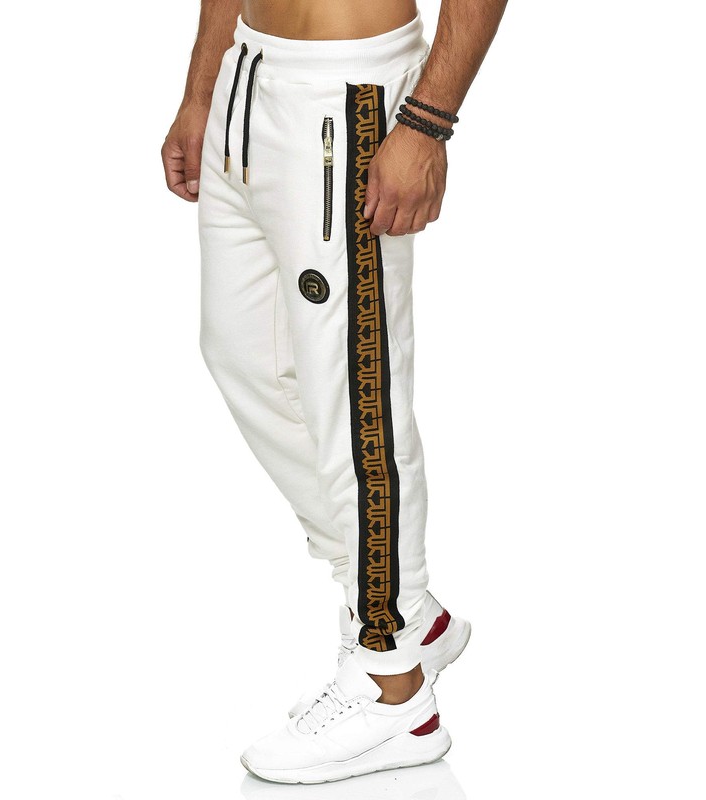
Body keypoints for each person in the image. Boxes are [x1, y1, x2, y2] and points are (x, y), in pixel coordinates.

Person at [161, 0, 507, 784]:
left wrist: (425, 124)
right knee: (244, 358)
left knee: (354, 395)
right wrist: (202, 90)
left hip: (347, 92)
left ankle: (393, 688)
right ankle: (408, 607)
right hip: (246, 76)